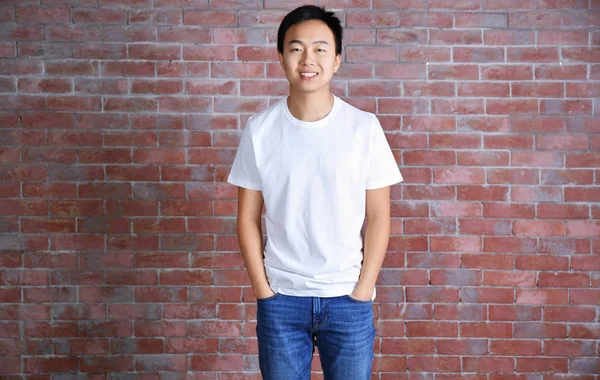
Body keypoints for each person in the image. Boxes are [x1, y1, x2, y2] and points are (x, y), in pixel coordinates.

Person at [227, 5, 403, 379]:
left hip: (347, 299)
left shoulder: (364, 128)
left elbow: (379, 216)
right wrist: (264, 292)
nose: (308, 59)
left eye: (321, 48)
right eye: (296, 48)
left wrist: (362, 290)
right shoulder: (260, 130)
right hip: (282, 300)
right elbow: (246, 218)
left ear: (337, 60)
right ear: (280, 57)